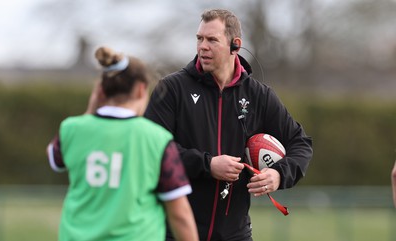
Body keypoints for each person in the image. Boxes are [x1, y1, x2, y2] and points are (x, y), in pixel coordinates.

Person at [145, 9, 313, 241]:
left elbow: (300, 143)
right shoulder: (172, 89)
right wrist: (208, 165)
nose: (202, 46)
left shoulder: (259, 96)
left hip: (235, 234)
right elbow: (150, 151)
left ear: (235, 45)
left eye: (212, 40)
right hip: (176, 232)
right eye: (199, 38)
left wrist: (277, 174)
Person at [46, 46, 198, 241]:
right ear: (141, 89)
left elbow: (55, 159)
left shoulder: (71, 129)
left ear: (100, 90)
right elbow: (180, 214)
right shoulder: (156, 139)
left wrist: (90, 109)